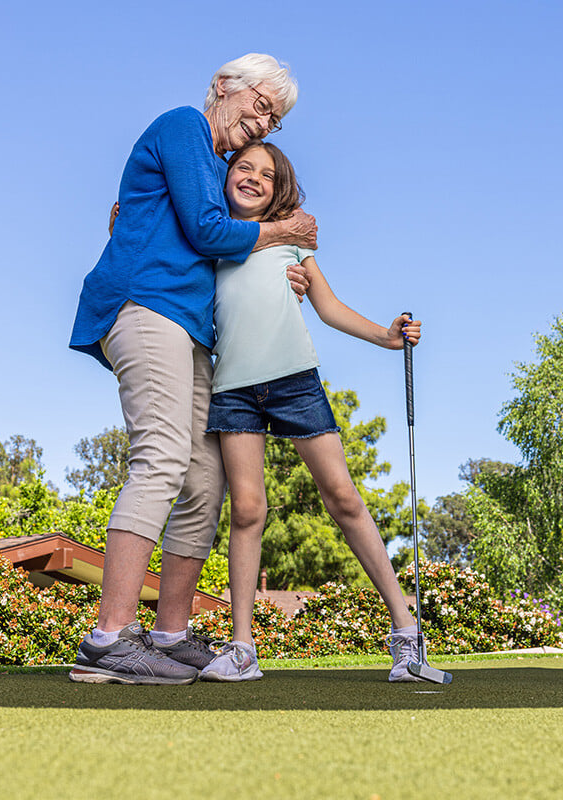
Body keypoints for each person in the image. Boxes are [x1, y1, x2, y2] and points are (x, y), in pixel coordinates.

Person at [68, 55, 317, 685]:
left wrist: (282, 274)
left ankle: (169, 634)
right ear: (222, 89)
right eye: (260, 105)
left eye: (275, 120)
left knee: (205, 483)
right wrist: (282, 230)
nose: (263, 124)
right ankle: (107, 640)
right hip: (146, 306)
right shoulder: (183, 124)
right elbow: (208, 233)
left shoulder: (218, 167)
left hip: (194, 332)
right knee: (161, 456)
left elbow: (226, 250)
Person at [195, 140, 429, 683]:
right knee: (248, 510)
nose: (253, 178)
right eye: (243, 167)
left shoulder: (293, 244)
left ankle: (405, 628)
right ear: (226, 177)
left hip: (295, 381)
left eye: (267, 175)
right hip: (233, 389)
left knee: (343, 497)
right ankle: (243, 648)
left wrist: (385, 337)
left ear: (281, 191)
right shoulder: (210, 240)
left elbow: (327, 307)